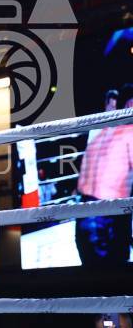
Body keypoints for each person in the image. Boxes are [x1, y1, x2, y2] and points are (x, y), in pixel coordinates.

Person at [76, 84, 133, 266]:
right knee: (115, 275)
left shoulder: (100, 130)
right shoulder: (128, 132)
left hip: (84, 213)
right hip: (106, 219)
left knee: (93, 275)